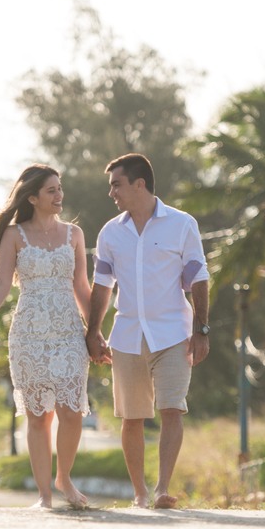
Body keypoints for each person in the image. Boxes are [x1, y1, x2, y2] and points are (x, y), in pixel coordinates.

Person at [0, 164, 92, 509]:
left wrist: (98, 331)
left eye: (60, 188)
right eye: (52, 190)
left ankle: (65, 477)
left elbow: (81, 286)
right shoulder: (15, 235)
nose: (60, 195)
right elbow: (2, 283)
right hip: (28, 333)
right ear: (32, 197)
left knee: (72, 411)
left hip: (68, 332)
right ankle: (45, 496)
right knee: (37, 417)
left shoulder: (74, 234)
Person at [86, 153, 210, 509]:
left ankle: (162, 489)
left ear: (139, 184)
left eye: (116, 185)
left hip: (173, 333)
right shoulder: (111, 232)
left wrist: (202, 328)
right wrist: (94, 332)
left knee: (172, 408)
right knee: (132, 417)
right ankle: (139, 492)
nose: (112, 193)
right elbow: (102, 285)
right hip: (126, 335)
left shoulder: (182, 224)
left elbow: (198, 277)